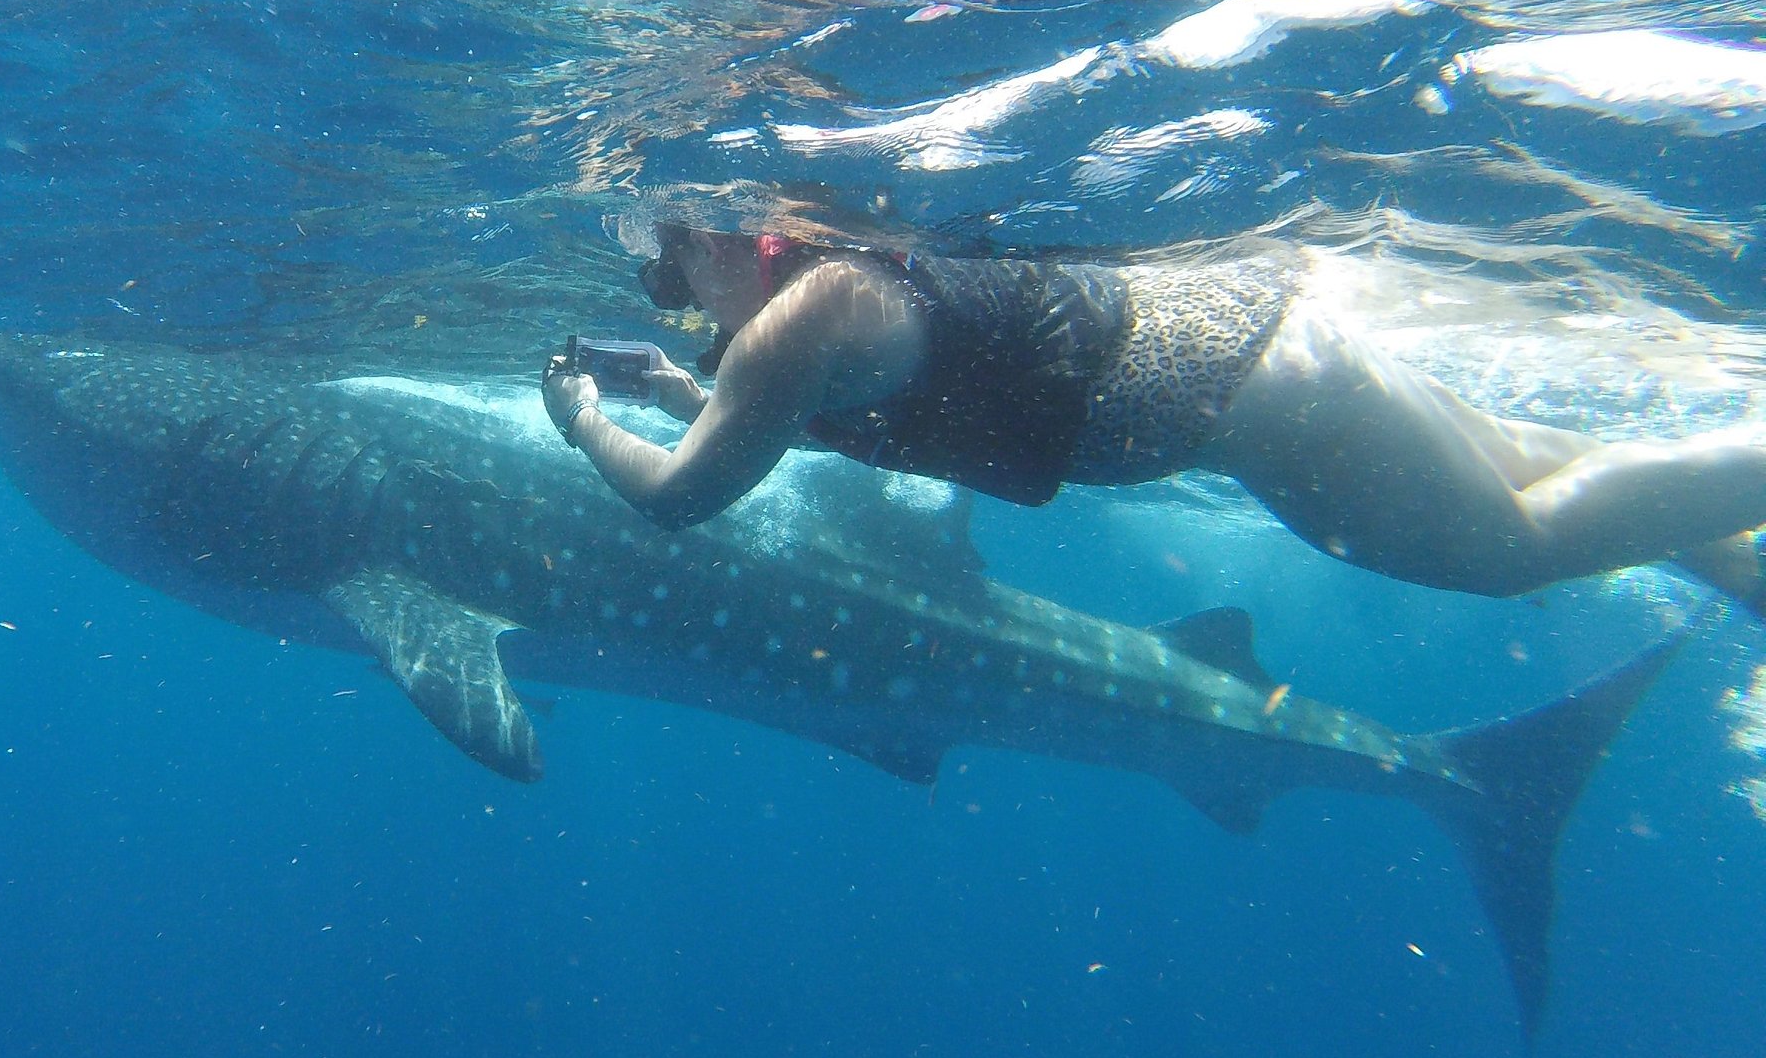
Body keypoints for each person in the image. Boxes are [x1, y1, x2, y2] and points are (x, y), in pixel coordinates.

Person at [541, 223, 1766, 603]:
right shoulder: (829, 309)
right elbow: (798, 424)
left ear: (730, 238)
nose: (666, 295)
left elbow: (681, 496)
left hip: (1256, 401)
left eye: (665, 271)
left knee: (1512, 548)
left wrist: (585, 416)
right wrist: (678, 392)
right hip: (1264, 365)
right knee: (1577, 479)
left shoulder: (791, 328)